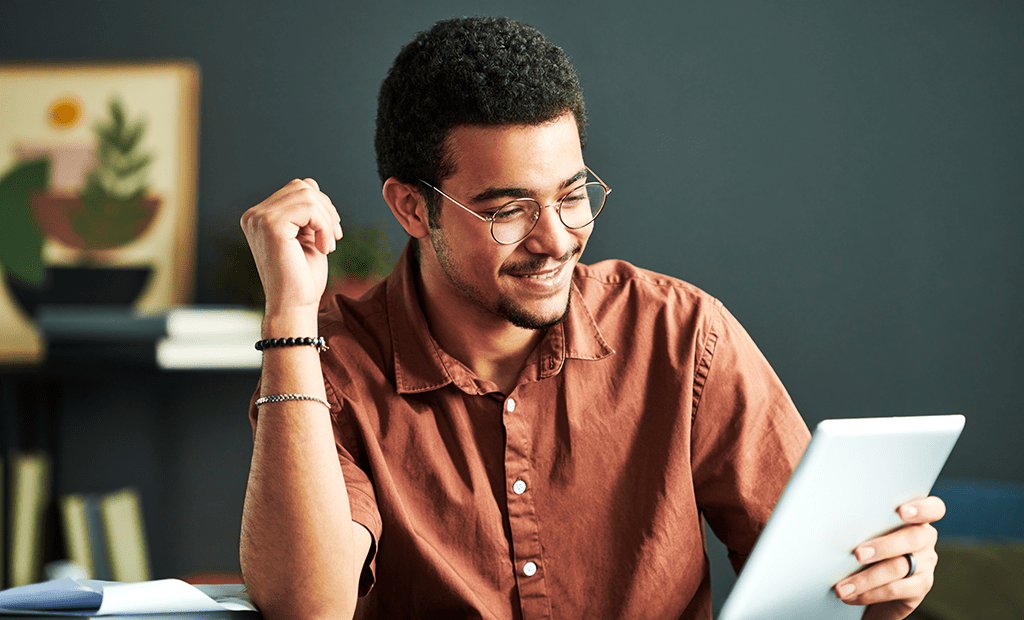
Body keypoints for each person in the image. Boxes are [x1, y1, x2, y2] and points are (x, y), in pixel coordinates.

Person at [239, 16, 943, 620]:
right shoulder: (327, 361)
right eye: (508, 211)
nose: (556, 239)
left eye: (573, 196)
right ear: (411, 208)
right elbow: (307, 607)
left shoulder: (682, 335)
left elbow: (823, 585)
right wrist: (290, 313)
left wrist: (886, 583)